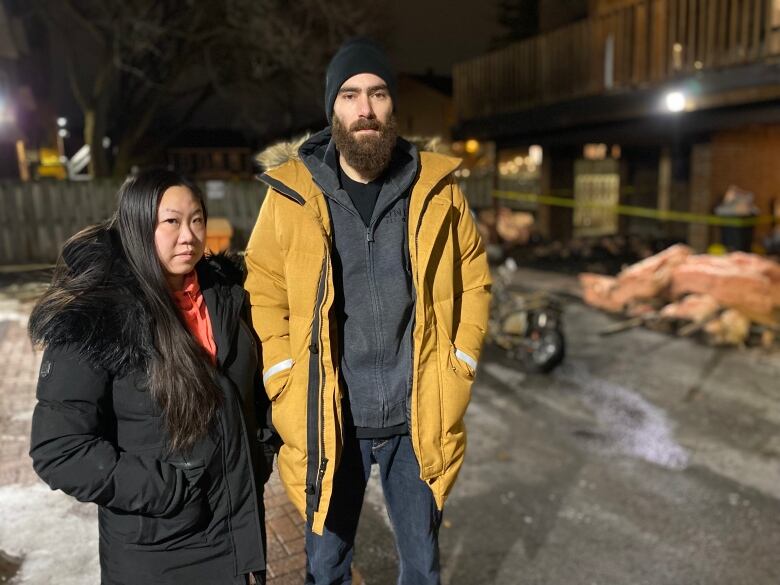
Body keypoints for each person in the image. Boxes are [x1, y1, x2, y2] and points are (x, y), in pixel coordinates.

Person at [245, 39, 491, 584]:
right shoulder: (290, 193)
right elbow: (263, 288)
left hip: (417, 415)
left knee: (422, 567)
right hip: (329, 417)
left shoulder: (437, 189)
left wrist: (463, 356)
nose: (365, 109)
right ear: (332, 108)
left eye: (377, 94)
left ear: (392, 105)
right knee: (326, 567)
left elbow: (473, 277)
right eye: (350, 95)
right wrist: (281, 370)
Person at [29, 169, 271, 585]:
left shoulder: (226, 295)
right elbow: (60, 449)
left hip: (235, 533)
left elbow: (250, 392)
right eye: (171, 221)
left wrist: (260, 453)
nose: (189, 236)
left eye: (197, 219)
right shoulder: (99, 314)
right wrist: (169, 490)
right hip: (156, 548)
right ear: (139, 226)